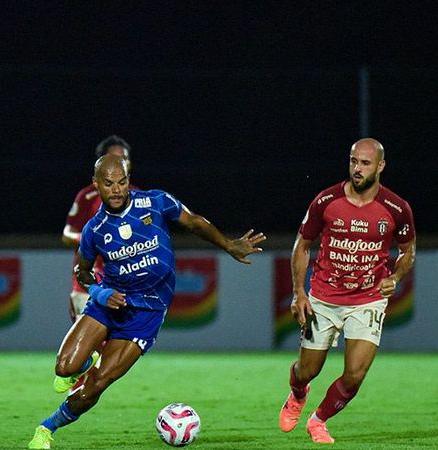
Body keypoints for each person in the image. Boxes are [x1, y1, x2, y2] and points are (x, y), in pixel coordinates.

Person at [28, 154, 266, 449]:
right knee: (64, 368)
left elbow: (194, 223)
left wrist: (229, 245)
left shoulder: (154, 202)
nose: (116, 189)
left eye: (122, 182)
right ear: (96, 185)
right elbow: (83, 272)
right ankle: (86, 359)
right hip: (108, 304)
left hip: (146, 314)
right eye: (108, 183)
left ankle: (46, 428)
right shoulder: (94, 230)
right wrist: (101, 293)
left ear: (128, 181)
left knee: (97, 384)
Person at [279, 138, 416, 444]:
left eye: (365, 163)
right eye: (354, 161)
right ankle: (298, 394)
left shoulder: (396, 208)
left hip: (368, 300)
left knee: (355, 374)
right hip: (323, 298)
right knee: (306, 371)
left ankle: (318, 421)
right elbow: (302, 245)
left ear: (380, 166)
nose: (357, 168)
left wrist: (397, 276)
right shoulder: (326, 201)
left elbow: (408, 251)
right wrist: (299, 293)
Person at [62, 135, 135, 322]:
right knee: (90, 349)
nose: (120, 163)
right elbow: (67, 234)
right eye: (114, 159)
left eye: (124, 159)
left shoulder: (140, 198)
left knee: (120, 348)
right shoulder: (88, 197)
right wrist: (90, 240)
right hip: (89, 285)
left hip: (126, 286)